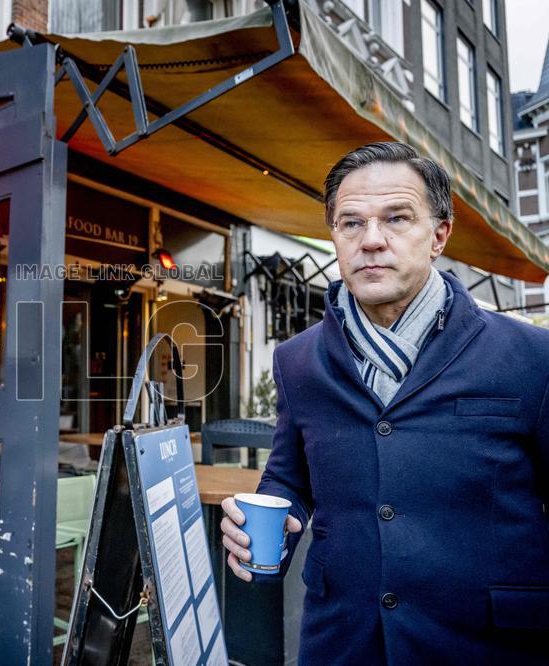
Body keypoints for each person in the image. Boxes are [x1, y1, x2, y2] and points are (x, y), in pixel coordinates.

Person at [219, 142, 549, 664]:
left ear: (439, 234)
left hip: (490, 645)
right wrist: (270, 528)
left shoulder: (532, 358)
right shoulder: (297, 360)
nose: (371, 240)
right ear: (334, 235)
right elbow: (290, 477)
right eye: (351, 223)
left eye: (397, 218)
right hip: (343, 639)